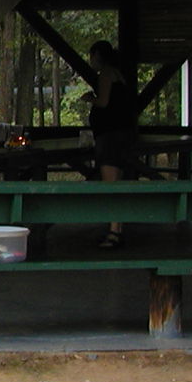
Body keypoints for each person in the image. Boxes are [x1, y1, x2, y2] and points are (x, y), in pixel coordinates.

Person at [83, 40, 138, 249]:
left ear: (97, 55)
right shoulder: (118, 74)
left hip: (110, 136)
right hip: (120, 134)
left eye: (91, 56)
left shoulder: (106, 73)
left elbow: (104, 102)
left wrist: (91, 98)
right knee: (116, 182)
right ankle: (117, 229)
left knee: (110, 185)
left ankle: (114, 233)